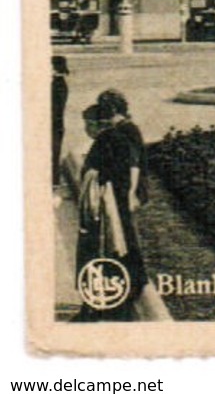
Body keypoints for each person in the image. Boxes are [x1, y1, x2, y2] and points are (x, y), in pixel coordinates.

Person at [75, 94, 146, 321]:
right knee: (117, 250)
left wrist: (128, 193)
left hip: (104, 209)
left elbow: (131, 167)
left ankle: (97, 306)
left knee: (100, 253)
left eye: (87, 125)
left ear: (98, 124)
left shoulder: (108, 140)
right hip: (109, 205)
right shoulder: (115, 137)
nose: (86, 130)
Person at [51, 57, 69, 190]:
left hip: (54, 125)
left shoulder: (56, 85)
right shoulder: (60, 84)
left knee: (54, 153)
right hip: (57, 124)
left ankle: (54, 181)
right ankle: (54, 180)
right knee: (55, 153)